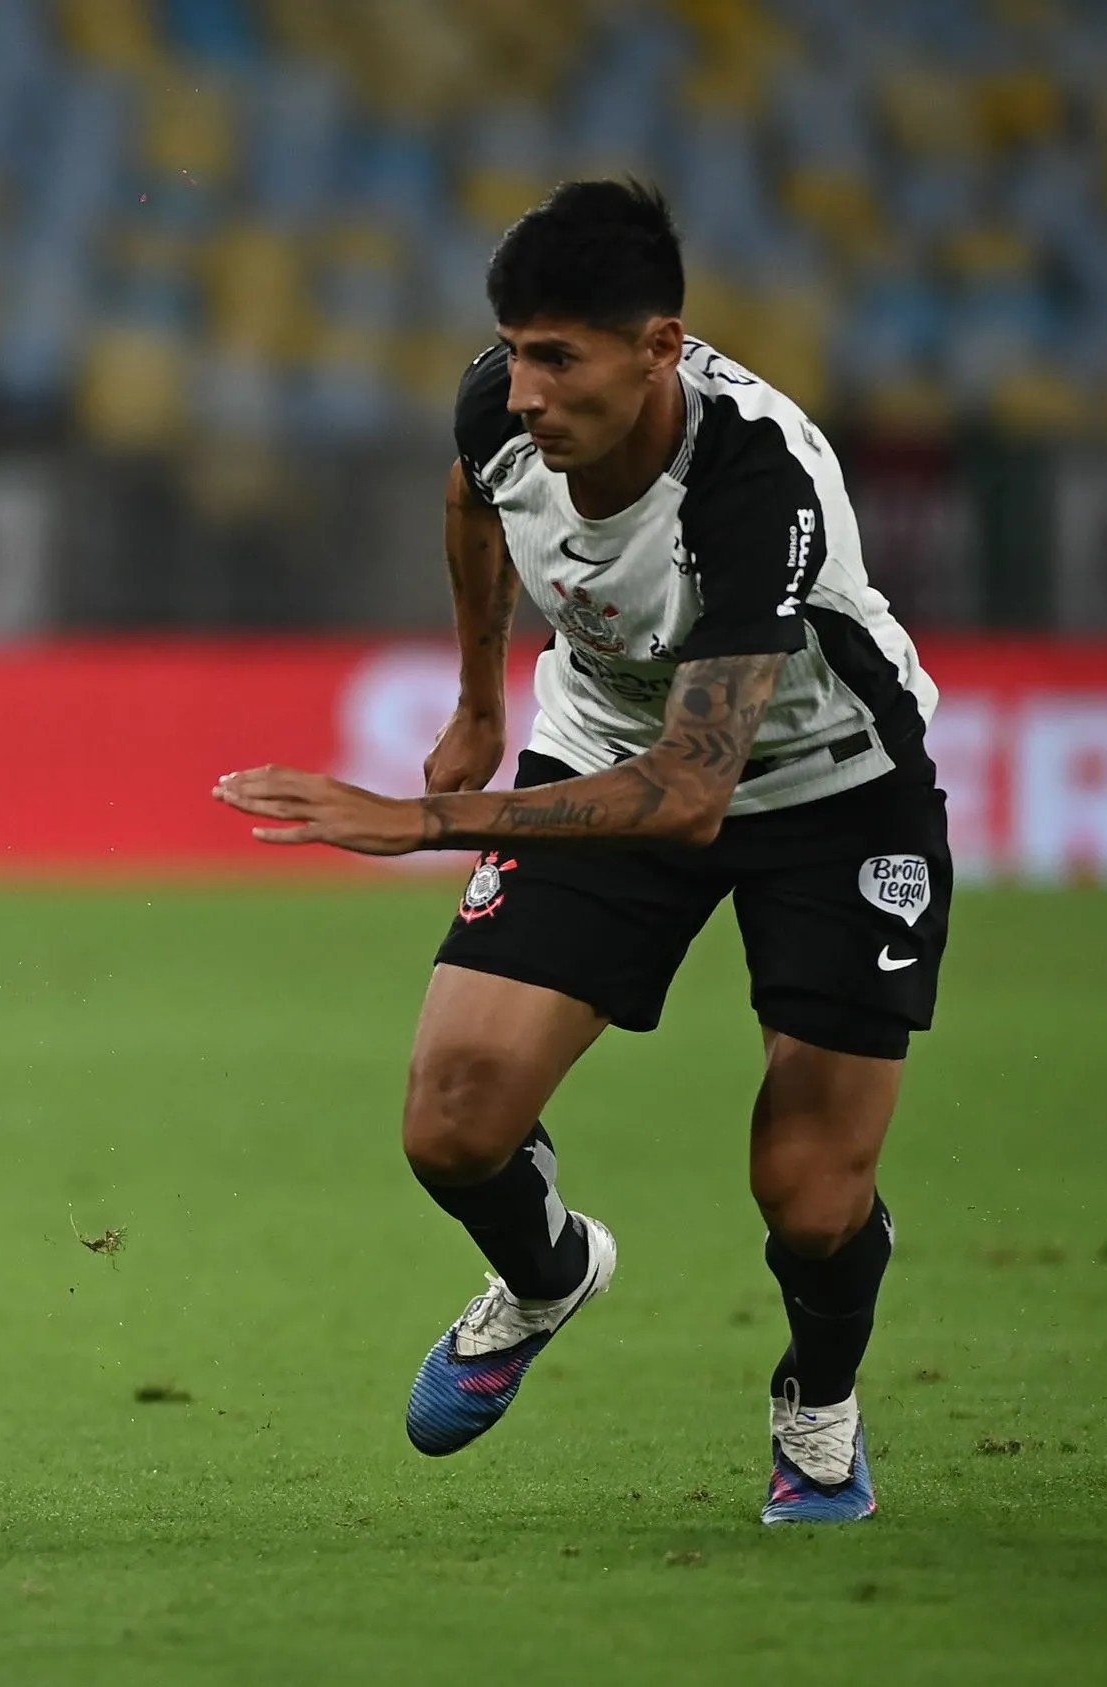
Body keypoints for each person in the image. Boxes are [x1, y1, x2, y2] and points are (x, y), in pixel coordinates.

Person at [215, 180, 944, 1526]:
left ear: (660, 347)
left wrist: (424, 819)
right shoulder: (497, 406)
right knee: (452, 1119)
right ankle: (549, 1270)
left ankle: (818, 1409)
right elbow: (469, 502)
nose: (524, 387)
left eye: (559, 356)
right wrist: (481, 702)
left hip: (832, 790)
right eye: (514, 348)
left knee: (809, 1189)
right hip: (605, 738)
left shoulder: (754, 481)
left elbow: (686, 795)